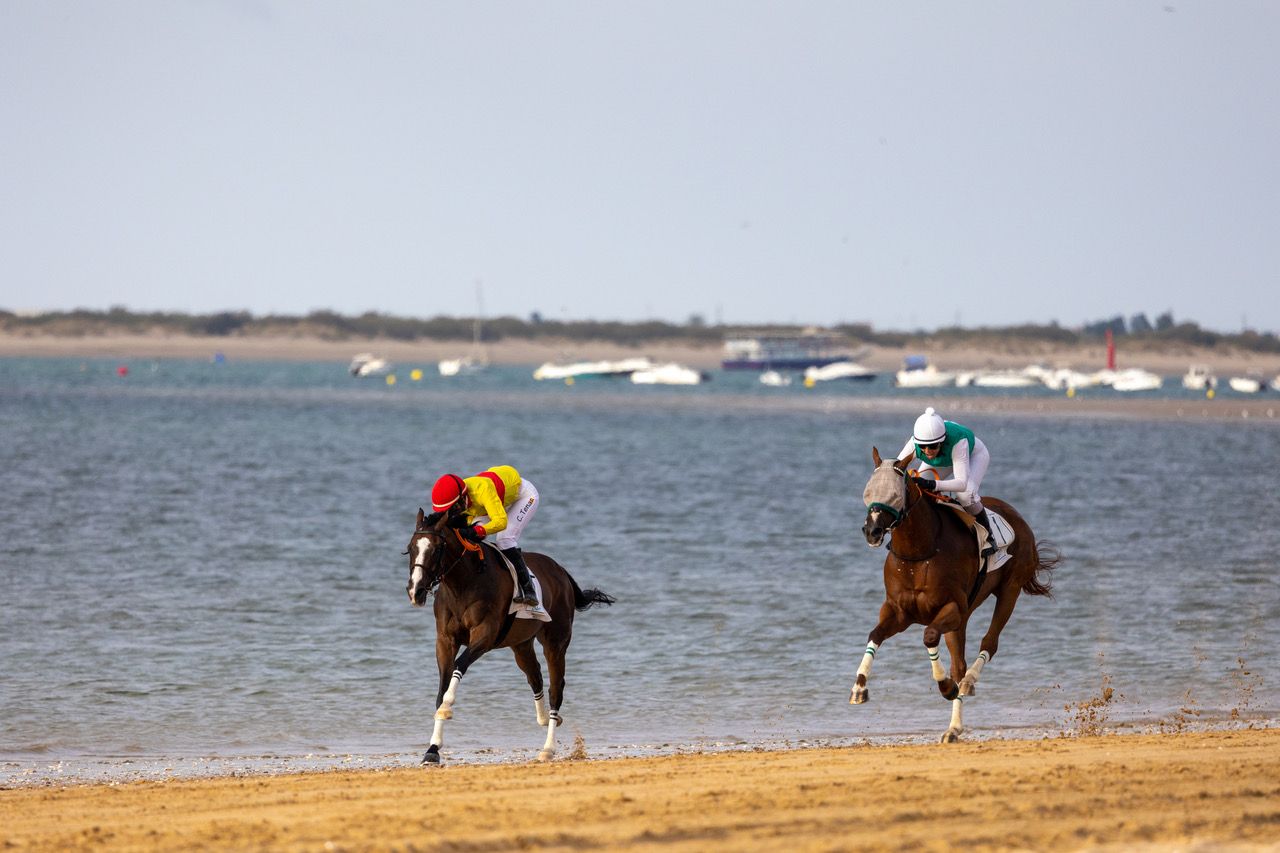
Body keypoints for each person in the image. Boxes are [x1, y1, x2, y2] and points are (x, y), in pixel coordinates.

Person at [430, 465, 540, 605]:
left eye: (452, 509)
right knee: (470, 534)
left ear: (462, 499)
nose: (452, 512)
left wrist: (476, 531)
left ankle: (528, 587)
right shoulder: (460, 498)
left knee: (504, 540)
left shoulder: (483, 490)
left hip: (522, 497)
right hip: (492, 502)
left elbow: (500, 522)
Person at [896, 407, 995, 556]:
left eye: (933, 446)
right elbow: (896, 468)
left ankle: (988, 537)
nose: (928, 451)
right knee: (917, 491)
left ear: (941, 442)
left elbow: (961, 483)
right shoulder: (915, 442)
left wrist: (931, 484)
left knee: (966, 496)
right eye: (923, 447)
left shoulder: (958, 442)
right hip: (943, 459)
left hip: (974, 455)